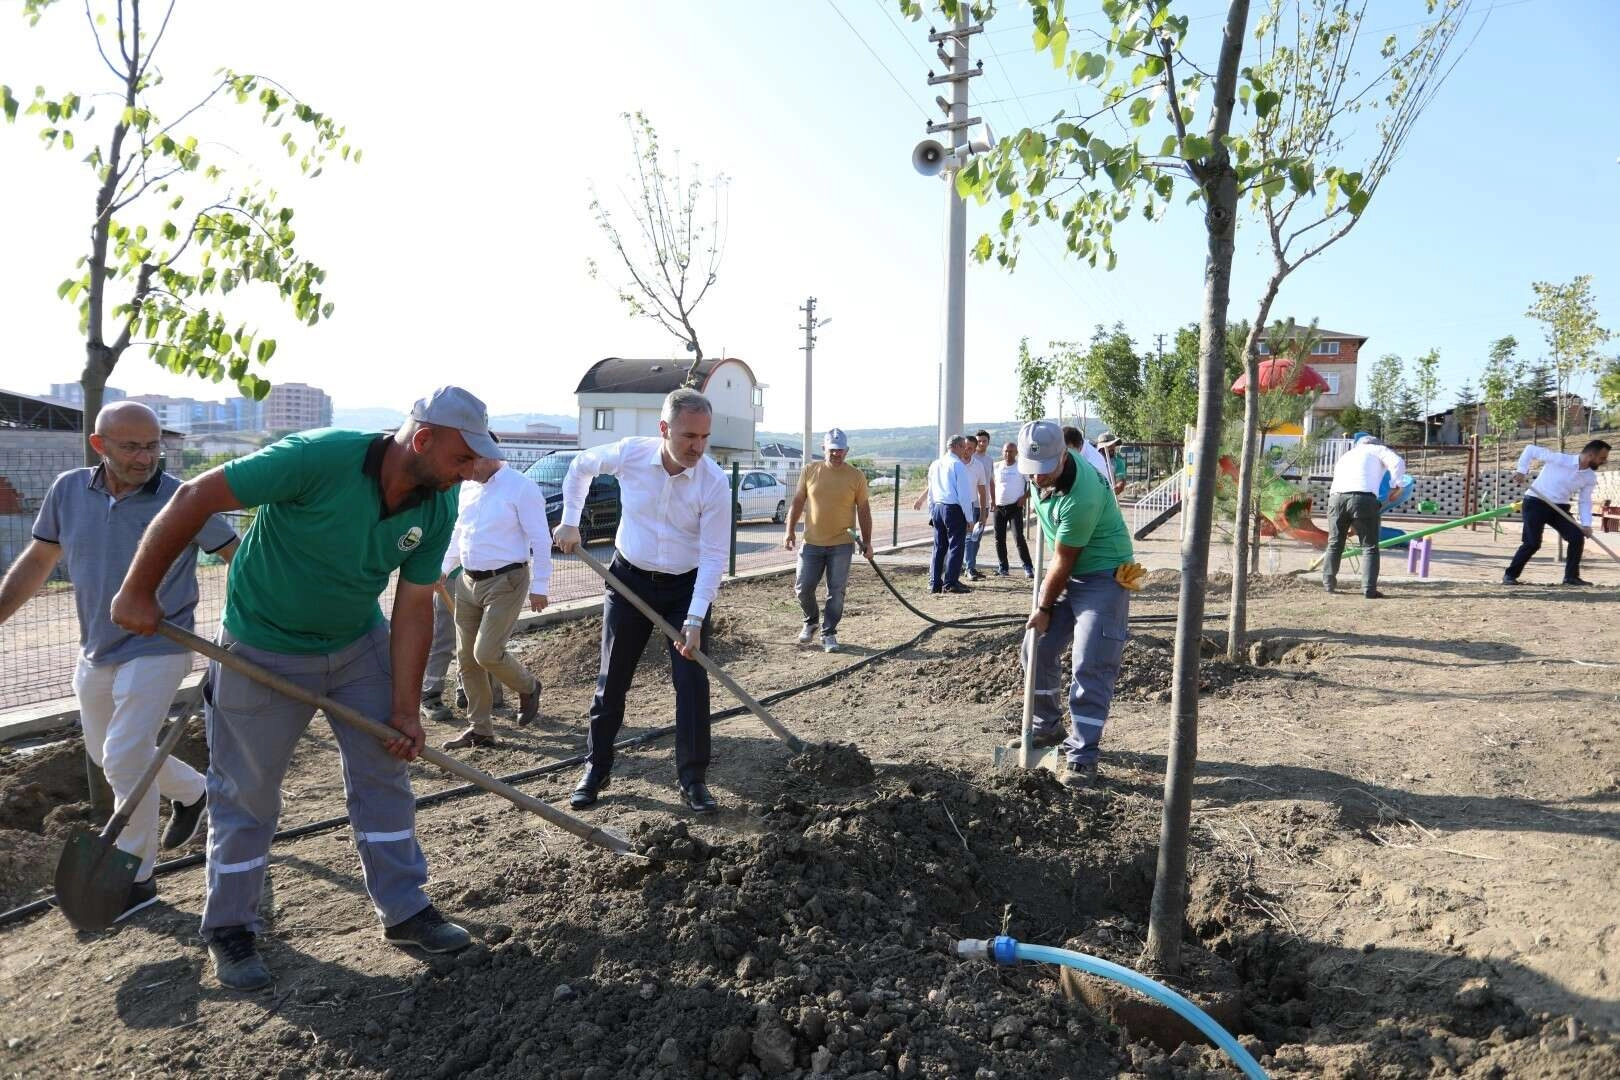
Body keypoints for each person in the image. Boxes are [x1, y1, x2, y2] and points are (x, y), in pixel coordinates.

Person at [110, 386, 495, 990]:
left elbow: (415, 606)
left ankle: (405, 908)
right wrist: (139, 589)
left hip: (356, 644)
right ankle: (231, 927)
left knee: (384, 770)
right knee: (248, 792)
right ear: (423, 440)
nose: (471, 471)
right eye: (462, 458)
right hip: (261, 644)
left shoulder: (436, 503)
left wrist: (404, 710)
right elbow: (194, 496)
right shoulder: (317, 459)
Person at [0, 402, 237, 922]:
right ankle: (197, 791)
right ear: (99, 445)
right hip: (96, 648)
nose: (145, 456)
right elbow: (40, 561)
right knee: (110, 755)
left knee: (127, 755)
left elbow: (235, 555)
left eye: (153, 445)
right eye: (131, 446)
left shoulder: (182, 497)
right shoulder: (67, 490)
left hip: (161, 642)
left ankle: (139, 877)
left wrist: (247, 621)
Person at [554, 388, 730, 815]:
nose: (698, 447)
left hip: (685, 588)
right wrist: (569, 522)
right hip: (629, 580)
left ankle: (693, 779)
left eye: (705, 437)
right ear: (664, 429)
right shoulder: (631, 454)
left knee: (691, 684)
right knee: (611, 680)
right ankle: (596, 768)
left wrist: (694, 618)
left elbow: (712, 556)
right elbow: (580, 466)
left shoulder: (714, 481)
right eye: (689, 436)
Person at [1016, 420, 1135, 789]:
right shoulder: (1040, 473)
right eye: (1029, 472)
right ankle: (1047, 727)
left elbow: (1063, 561)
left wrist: (1043, 606)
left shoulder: (1082, 493)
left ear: (1064, 454)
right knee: (1036, 647)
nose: (1036, 480)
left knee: (1091, 661)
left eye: (1043, 472)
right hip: (1067, 568)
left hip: (1106, 573)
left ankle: (1083, 755)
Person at [440, 449, 553, 748]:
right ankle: (480, 729)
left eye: (470, 462)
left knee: (486, 652)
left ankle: (528, 687)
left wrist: (540, 584)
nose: (465, 470)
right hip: (467, 581)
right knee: (466, 659)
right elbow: (459, 531)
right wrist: (444, 568)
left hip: (507, 580)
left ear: (489, 455)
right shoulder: (467, 487)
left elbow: (541, 539)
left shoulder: (521, 487)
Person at [783, 427, 874, 653]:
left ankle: (829, 632)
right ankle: (811, 620)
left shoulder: (856, 476)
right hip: (812, 542)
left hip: (842, 543)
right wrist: (790, 530)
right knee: (803, 588)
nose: (836, 454)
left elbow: (864, 510)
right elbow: (797, 502)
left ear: (847, 451)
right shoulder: (810, 471)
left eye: (840, 450)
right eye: (832, 450)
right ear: (824, 449)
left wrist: (868, 542)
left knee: (836, 591)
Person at [1504, 439, 1610, 586]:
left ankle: (1571, 578)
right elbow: (1530, 449)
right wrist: (1522, 470)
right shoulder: (1560, 459)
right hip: (1536, 502)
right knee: (1532, 543)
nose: (1604, 461)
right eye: (1602, 458)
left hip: (1560, 508)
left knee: (1576, 537)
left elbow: (1585, 501)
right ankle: (1510, 576)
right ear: (1591, 455)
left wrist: (1586, 524)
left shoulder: (1589, 477)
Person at [1322, 433, 1406, 599]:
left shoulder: (1347, 455)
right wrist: (1397, 485)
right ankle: (1369, 589)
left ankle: (1328, 584)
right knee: (1369, 547)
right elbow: (1397, 462)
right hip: (1363, 498)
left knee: (1335, 543)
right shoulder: (1377, 449)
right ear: (1375, 443)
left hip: (1335, 499)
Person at [925, 436, 978, 594]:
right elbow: (964, 495)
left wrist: (931, 511)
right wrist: (969, 518)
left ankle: (934, 582)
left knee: (939, 547)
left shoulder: (935, 464)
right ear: (958, 446)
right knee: (956, 546)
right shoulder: (957, 465)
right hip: (953, 508)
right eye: (964, 447)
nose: (965, 450)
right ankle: (951, 582)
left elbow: (931, 491)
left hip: (937, 507)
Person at [992, 440, 1034, 579]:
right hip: (999, 507)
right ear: (1002, 452)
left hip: (1015, 507)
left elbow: (1033, 485)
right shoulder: (996, 467)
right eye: (1005, 451)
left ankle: (1028, 567)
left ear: (1016, 453)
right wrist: (992, 500)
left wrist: (1024, 497)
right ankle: (1003, 567)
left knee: (1018, 537)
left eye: (1011, 451)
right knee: (999, 539)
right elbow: (990, 484)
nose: (1007, 454)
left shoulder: (1021, 467)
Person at [963, 430, 996, 581]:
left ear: (988, 442)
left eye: (984, 441)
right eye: (979, 441)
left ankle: (971, 566)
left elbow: (990, 482)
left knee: (976, 537)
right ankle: (968, 567)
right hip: (970, 504)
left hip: (984, 505)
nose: (982, 444)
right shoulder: (968, 459)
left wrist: (993, 501)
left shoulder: (989, 460)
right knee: (969, 537)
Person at [1095, 431, 1128, 495]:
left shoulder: (1118, 460)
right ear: (1101, 448)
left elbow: (1120, 480)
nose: (1112, 448)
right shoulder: (1093, 458)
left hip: (1109, 495)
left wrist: (1118, 487)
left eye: (1113, 445)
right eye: (1109, 445)